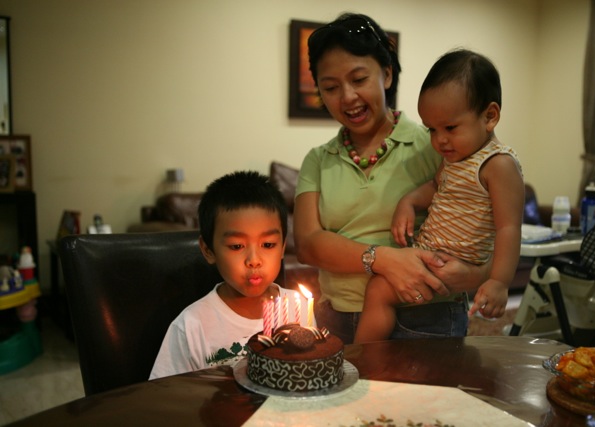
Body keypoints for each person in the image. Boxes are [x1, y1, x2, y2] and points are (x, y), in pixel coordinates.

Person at [294, 13, 492, 345]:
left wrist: (475, 274)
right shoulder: (318, 160)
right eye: (330, 87)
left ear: (386, 74)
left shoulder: (435, 144)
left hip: (426, 317)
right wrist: (382, 259)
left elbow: (487, 227)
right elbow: (307, 244)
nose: (347, 97)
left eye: (359, 79)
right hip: (337, 318)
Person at [354, 49, 524, 343]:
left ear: (490, 116)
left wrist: (499, 281)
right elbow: (435, 186)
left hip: (450, 263)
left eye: (450, 127)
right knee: (382, 286)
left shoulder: (499, 164)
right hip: (430, 252)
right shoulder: (455, 158)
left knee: (379, 290)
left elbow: (509, 228)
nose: (439, 139)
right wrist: (408, 202)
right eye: (432, 129)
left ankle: (359, 356)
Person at [150, 171, 306, 379]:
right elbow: (166, 392)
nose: (254, 260)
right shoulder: (192, 326)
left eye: (268, 244)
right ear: (208, 250)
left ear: (283, 247)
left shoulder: (299, 307)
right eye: (237, 246)